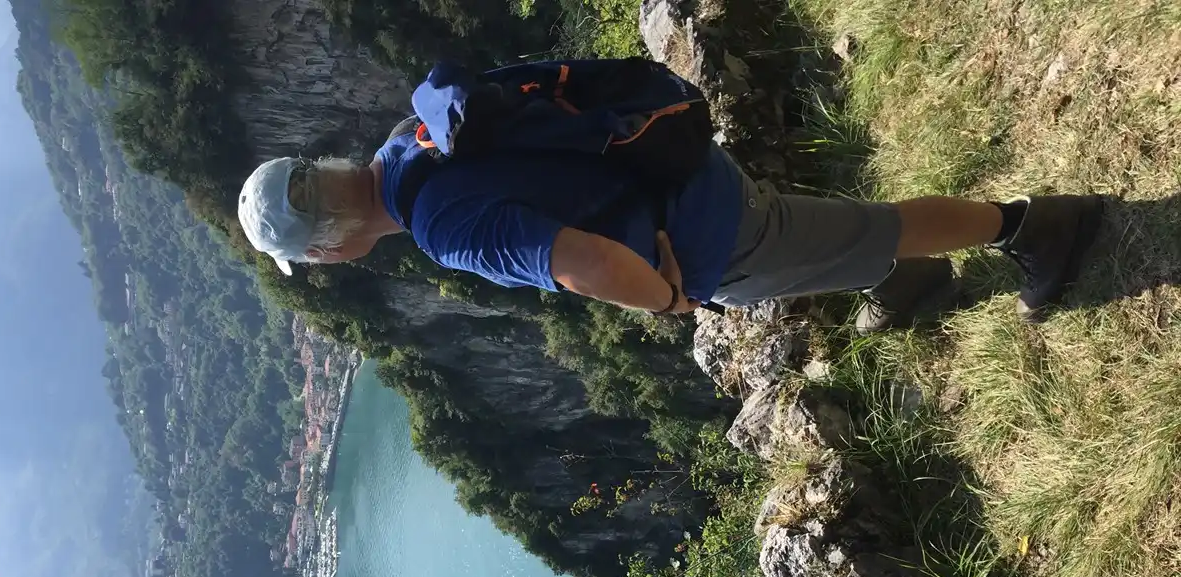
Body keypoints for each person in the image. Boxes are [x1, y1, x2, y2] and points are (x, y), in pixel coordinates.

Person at [237, 81, 1102, 332]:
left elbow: (582, 264)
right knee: (830, 239)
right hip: (667, 170)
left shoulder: (440, 228)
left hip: (707, 232)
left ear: (327, 247)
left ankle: (1031, 226)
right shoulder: (407, 139)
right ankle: (900, 281)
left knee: (878, 228)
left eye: (309, 260)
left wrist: (668, 299)